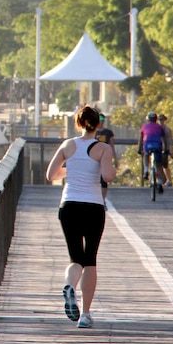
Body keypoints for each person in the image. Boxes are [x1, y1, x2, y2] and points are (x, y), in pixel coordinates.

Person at [46, 106, 117, 329]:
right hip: (93, 206)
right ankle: (85, 315)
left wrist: (71, 170)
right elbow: (107, 175)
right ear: (98, 124)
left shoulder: (68, 145)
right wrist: (111, 169)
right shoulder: (103, 148)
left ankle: (69, 285)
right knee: (90, 259)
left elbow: (50, 175)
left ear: (78, 123)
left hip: (68, 206)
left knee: (75, 257)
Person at [139, 112, 168, 193]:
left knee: (146, 155)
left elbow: (141, 139)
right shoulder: (159, 127)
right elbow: (164, 138)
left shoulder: (144, 126)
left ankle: (145, 171)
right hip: (157, 145)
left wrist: (139, 149)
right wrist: (165, 148)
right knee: (158, 164)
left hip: (147, 144)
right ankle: (159, 182)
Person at [94, 112, 115, 203]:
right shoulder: (93, 132)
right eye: (99, 120)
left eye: (102, 120)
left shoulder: (108, 132)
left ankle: (102, 200)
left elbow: (112, 145)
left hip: (105, 157)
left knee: (104, 179)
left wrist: (115, 158)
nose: (100, 122)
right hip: (94, 157)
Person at [158, 114, 173, 187]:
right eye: (159, 119)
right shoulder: (156, 128)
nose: (160, 121)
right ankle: (159, 179)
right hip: (157, 147)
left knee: (165, 165)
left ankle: (169, 180)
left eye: (162, 119)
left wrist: (171, 150)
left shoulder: (167, 129)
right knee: (157, 164)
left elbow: (170, 141)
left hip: (165, 148)